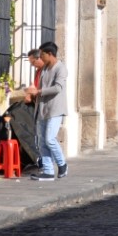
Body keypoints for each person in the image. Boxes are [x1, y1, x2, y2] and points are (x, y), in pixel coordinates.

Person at [25, 41, 68, 182]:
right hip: (42, 108)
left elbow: (58, 88)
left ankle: (62, 164)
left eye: (42, 54)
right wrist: (32, 92)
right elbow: (38, 86)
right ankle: (48, 171)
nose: (41, 57)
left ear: (50, 54)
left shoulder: (61, 68)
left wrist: (39, 91)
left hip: (55, 109)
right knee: (42, 141)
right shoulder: (43, 70)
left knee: (50, 138)